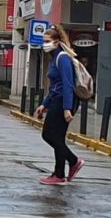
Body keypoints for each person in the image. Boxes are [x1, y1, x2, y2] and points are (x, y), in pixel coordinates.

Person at [35, 25, 84, 185]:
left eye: (47, 41)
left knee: (48, 135)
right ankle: (59, 174)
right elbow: (55, 86)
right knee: (58, 139)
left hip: (63, 101)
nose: (45, 44)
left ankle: (74, 160)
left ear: (56, 42)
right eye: (43, 41)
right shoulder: (54, 57)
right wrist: (44, 104)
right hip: (57, 100)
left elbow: (67, 84)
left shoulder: (62, 58)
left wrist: (66, 108)